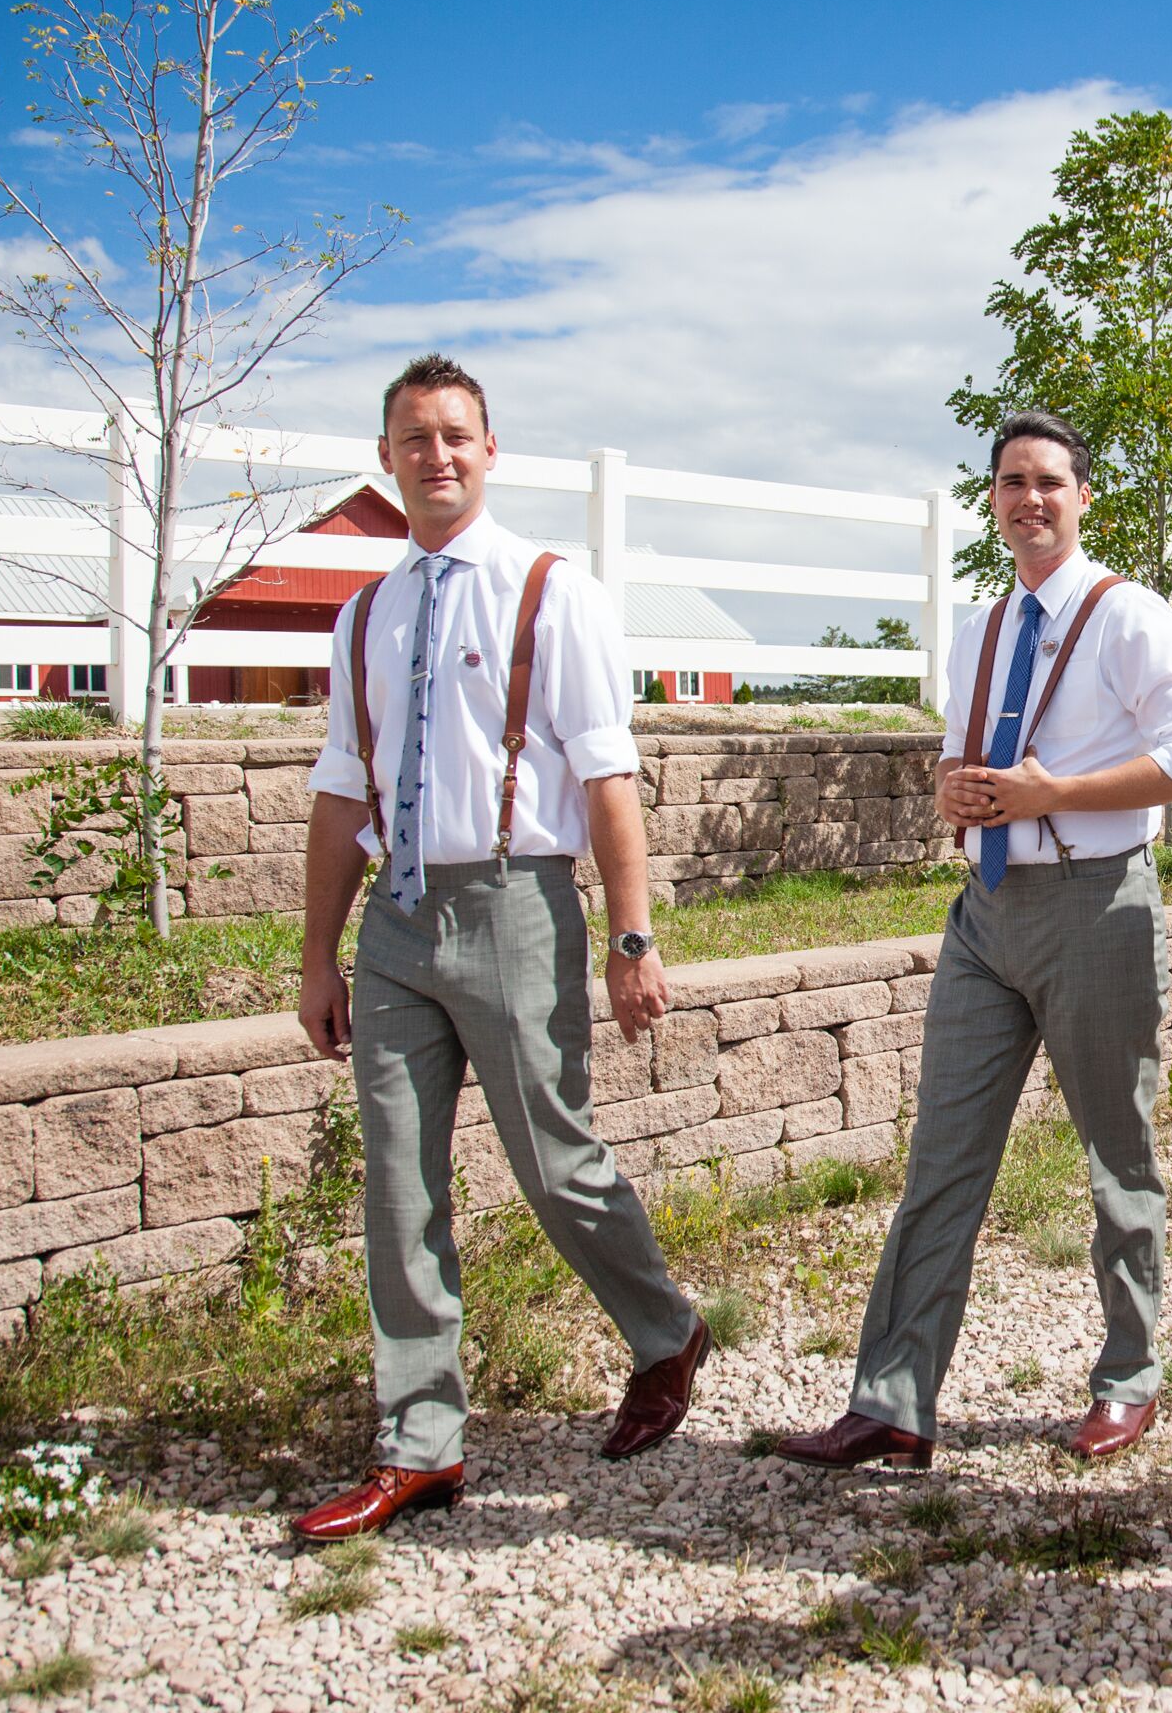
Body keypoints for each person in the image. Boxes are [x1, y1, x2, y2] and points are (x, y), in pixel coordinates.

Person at [289, 354, 712, 1542]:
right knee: (397, 1181)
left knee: (553, 1158)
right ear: (387, 458)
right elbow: (339, 789)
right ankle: (421, 1443)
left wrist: (631, 935)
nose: (437, 455)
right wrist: (319, 955)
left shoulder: (546, 589)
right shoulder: (364, 613)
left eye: (457, 436)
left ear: (490, 450)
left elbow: (606, 768)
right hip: (398, 922)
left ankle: (665, 1328)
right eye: (415, 438)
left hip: (520, 903)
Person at [775, 410, 1172, 1471]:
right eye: (1012, 481)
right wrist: (953, 789)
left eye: (1050, 482)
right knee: (942, 1156)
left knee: (1118, 1155)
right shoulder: (980, 628)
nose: (1031, 498)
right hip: (986, 912)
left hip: (1095, 906)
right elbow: (962, 754)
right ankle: (893, 1399)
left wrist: (1053, 789)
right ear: (993, 499)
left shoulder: (1128, 618)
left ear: (1082, 498)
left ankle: (1128, 1376)